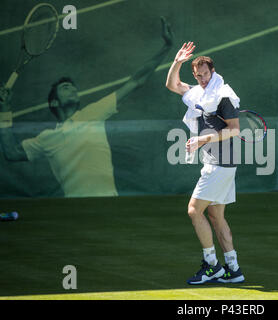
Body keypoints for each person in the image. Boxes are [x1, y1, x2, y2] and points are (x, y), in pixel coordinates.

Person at [0, 17, 173, 198]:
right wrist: (5, 109)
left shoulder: (93, 113)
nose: (72, 88)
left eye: (72, 86)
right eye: (65, 88)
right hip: (75, 210)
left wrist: (165, 48)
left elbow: (136, 81)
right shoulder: (47, 139)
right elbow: (11, 153)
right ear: (54, 103)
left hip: (110, 204)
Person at [165, 42, 245, 284]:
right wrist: (177, 61)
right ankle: (233, 268)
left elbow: (234, 130)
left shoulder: (223, 96)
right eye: (198, 75)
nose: (202, 79)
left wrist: (202, 139)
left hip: (221, 162)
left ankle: (212, 265)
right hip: (216, 161)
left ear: (213, 71)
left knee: (193, 210)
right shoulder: (200, 94)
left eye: (205, 74)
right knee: (215, 215)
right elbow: (172, 85)